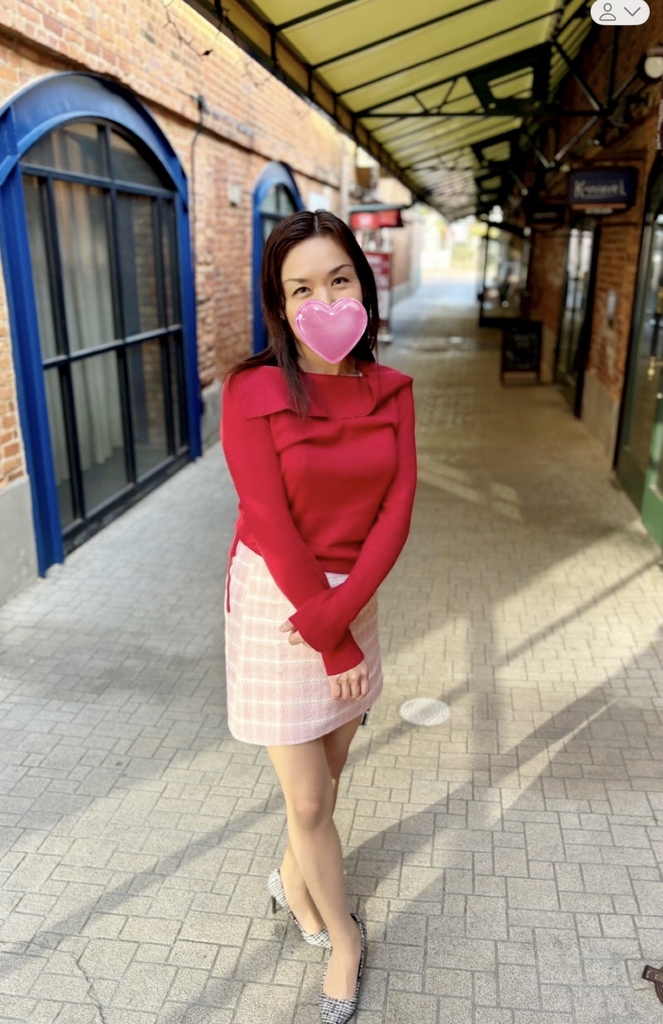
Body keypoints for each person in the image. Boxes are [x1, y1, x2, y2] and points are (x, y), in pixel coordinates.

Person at [220, 209, 417, 1024]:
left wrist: (346, 617)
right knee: (307, 802)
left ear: (361, 286)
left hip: (352, 598)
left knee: (325, 786)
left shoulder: (391, 390)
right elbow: (267, 521)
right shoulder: (252, 390)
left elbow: (397, 508)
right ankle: (343, 939)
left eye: (337, 279)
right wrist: (329, 639)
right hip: (280, 599)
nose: (322, 299)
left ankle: (292, 881)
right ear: (278, 303)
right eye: (299, 288)